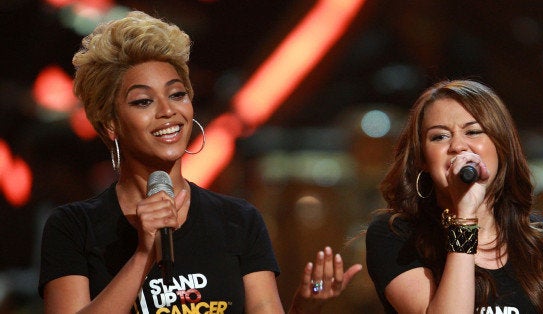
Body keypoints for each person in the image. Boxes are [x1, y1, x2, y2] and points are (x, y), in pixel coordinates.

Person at [38, 11, 362, 314]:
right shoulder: (74, 227)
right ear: (110, 124)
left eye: (177, 94)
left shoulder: (238, 220)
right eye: (143, 101)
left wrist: (305, 306)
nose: (168, 111)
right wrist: (143, 254)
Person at [366, 80, 543, 313]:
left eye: (473, 131)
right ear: (422, 159)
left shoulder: (533, 236)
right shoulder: (396, 235)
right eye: (439, 137)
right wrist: (465, 215)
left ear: (501, 145)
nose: (458, 146)